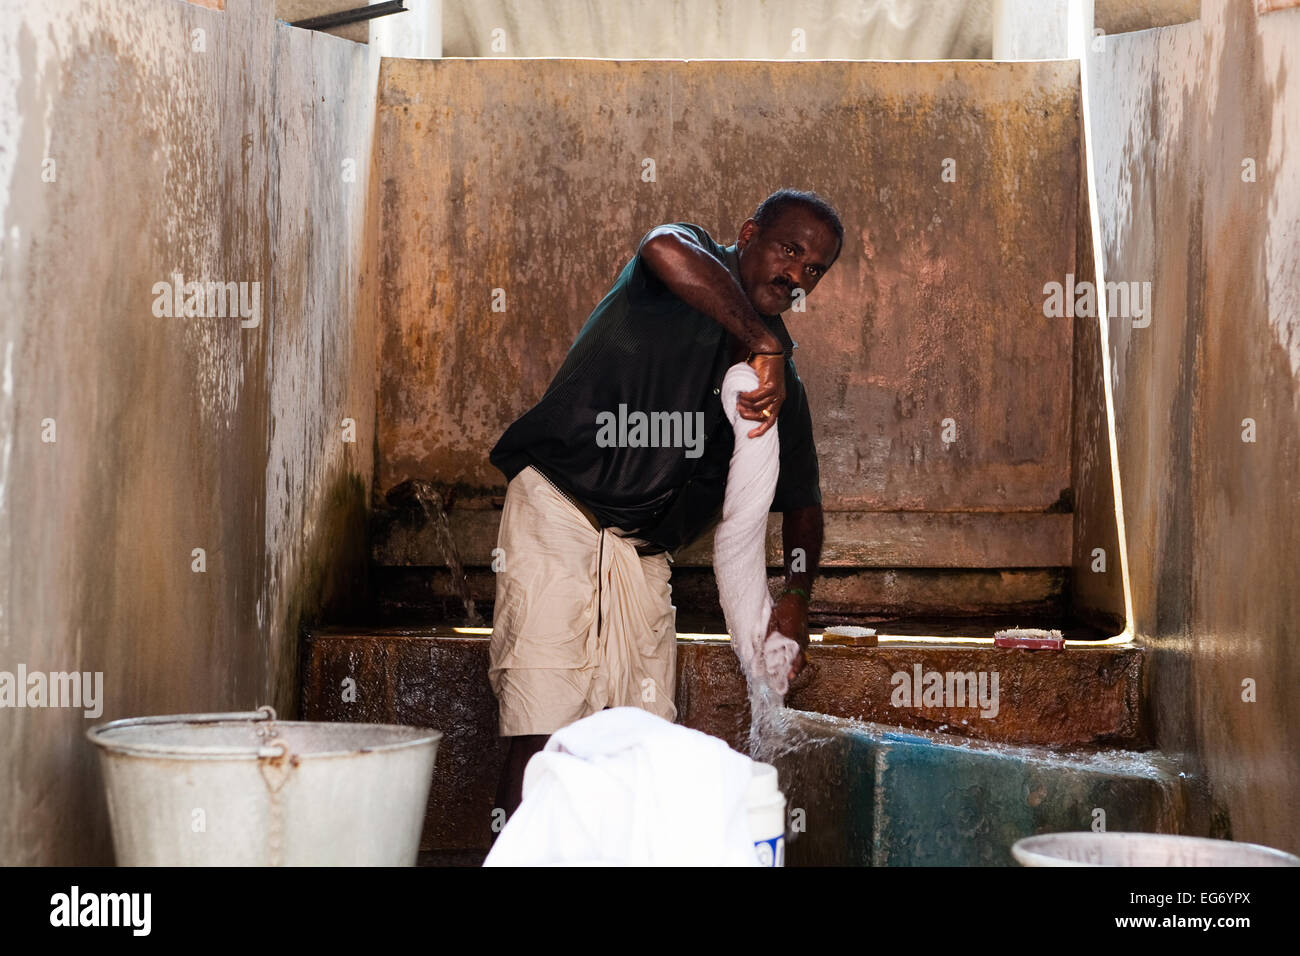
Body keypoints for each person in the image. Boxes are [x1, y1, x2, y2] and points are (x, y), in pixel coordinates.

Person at [488, 188, 844, 817]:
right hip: (560, 515)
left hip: (643, 556)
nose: (797, 275)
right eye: (789, 251)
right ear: (749, 232)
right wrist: (765, 343)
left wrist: (794, 597)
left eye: (814, 268)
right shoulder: (689, 259)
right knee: (542, 731)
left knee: (638, 742)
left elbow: (803, 505)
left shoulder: (776, 384)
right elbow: (661, 248)